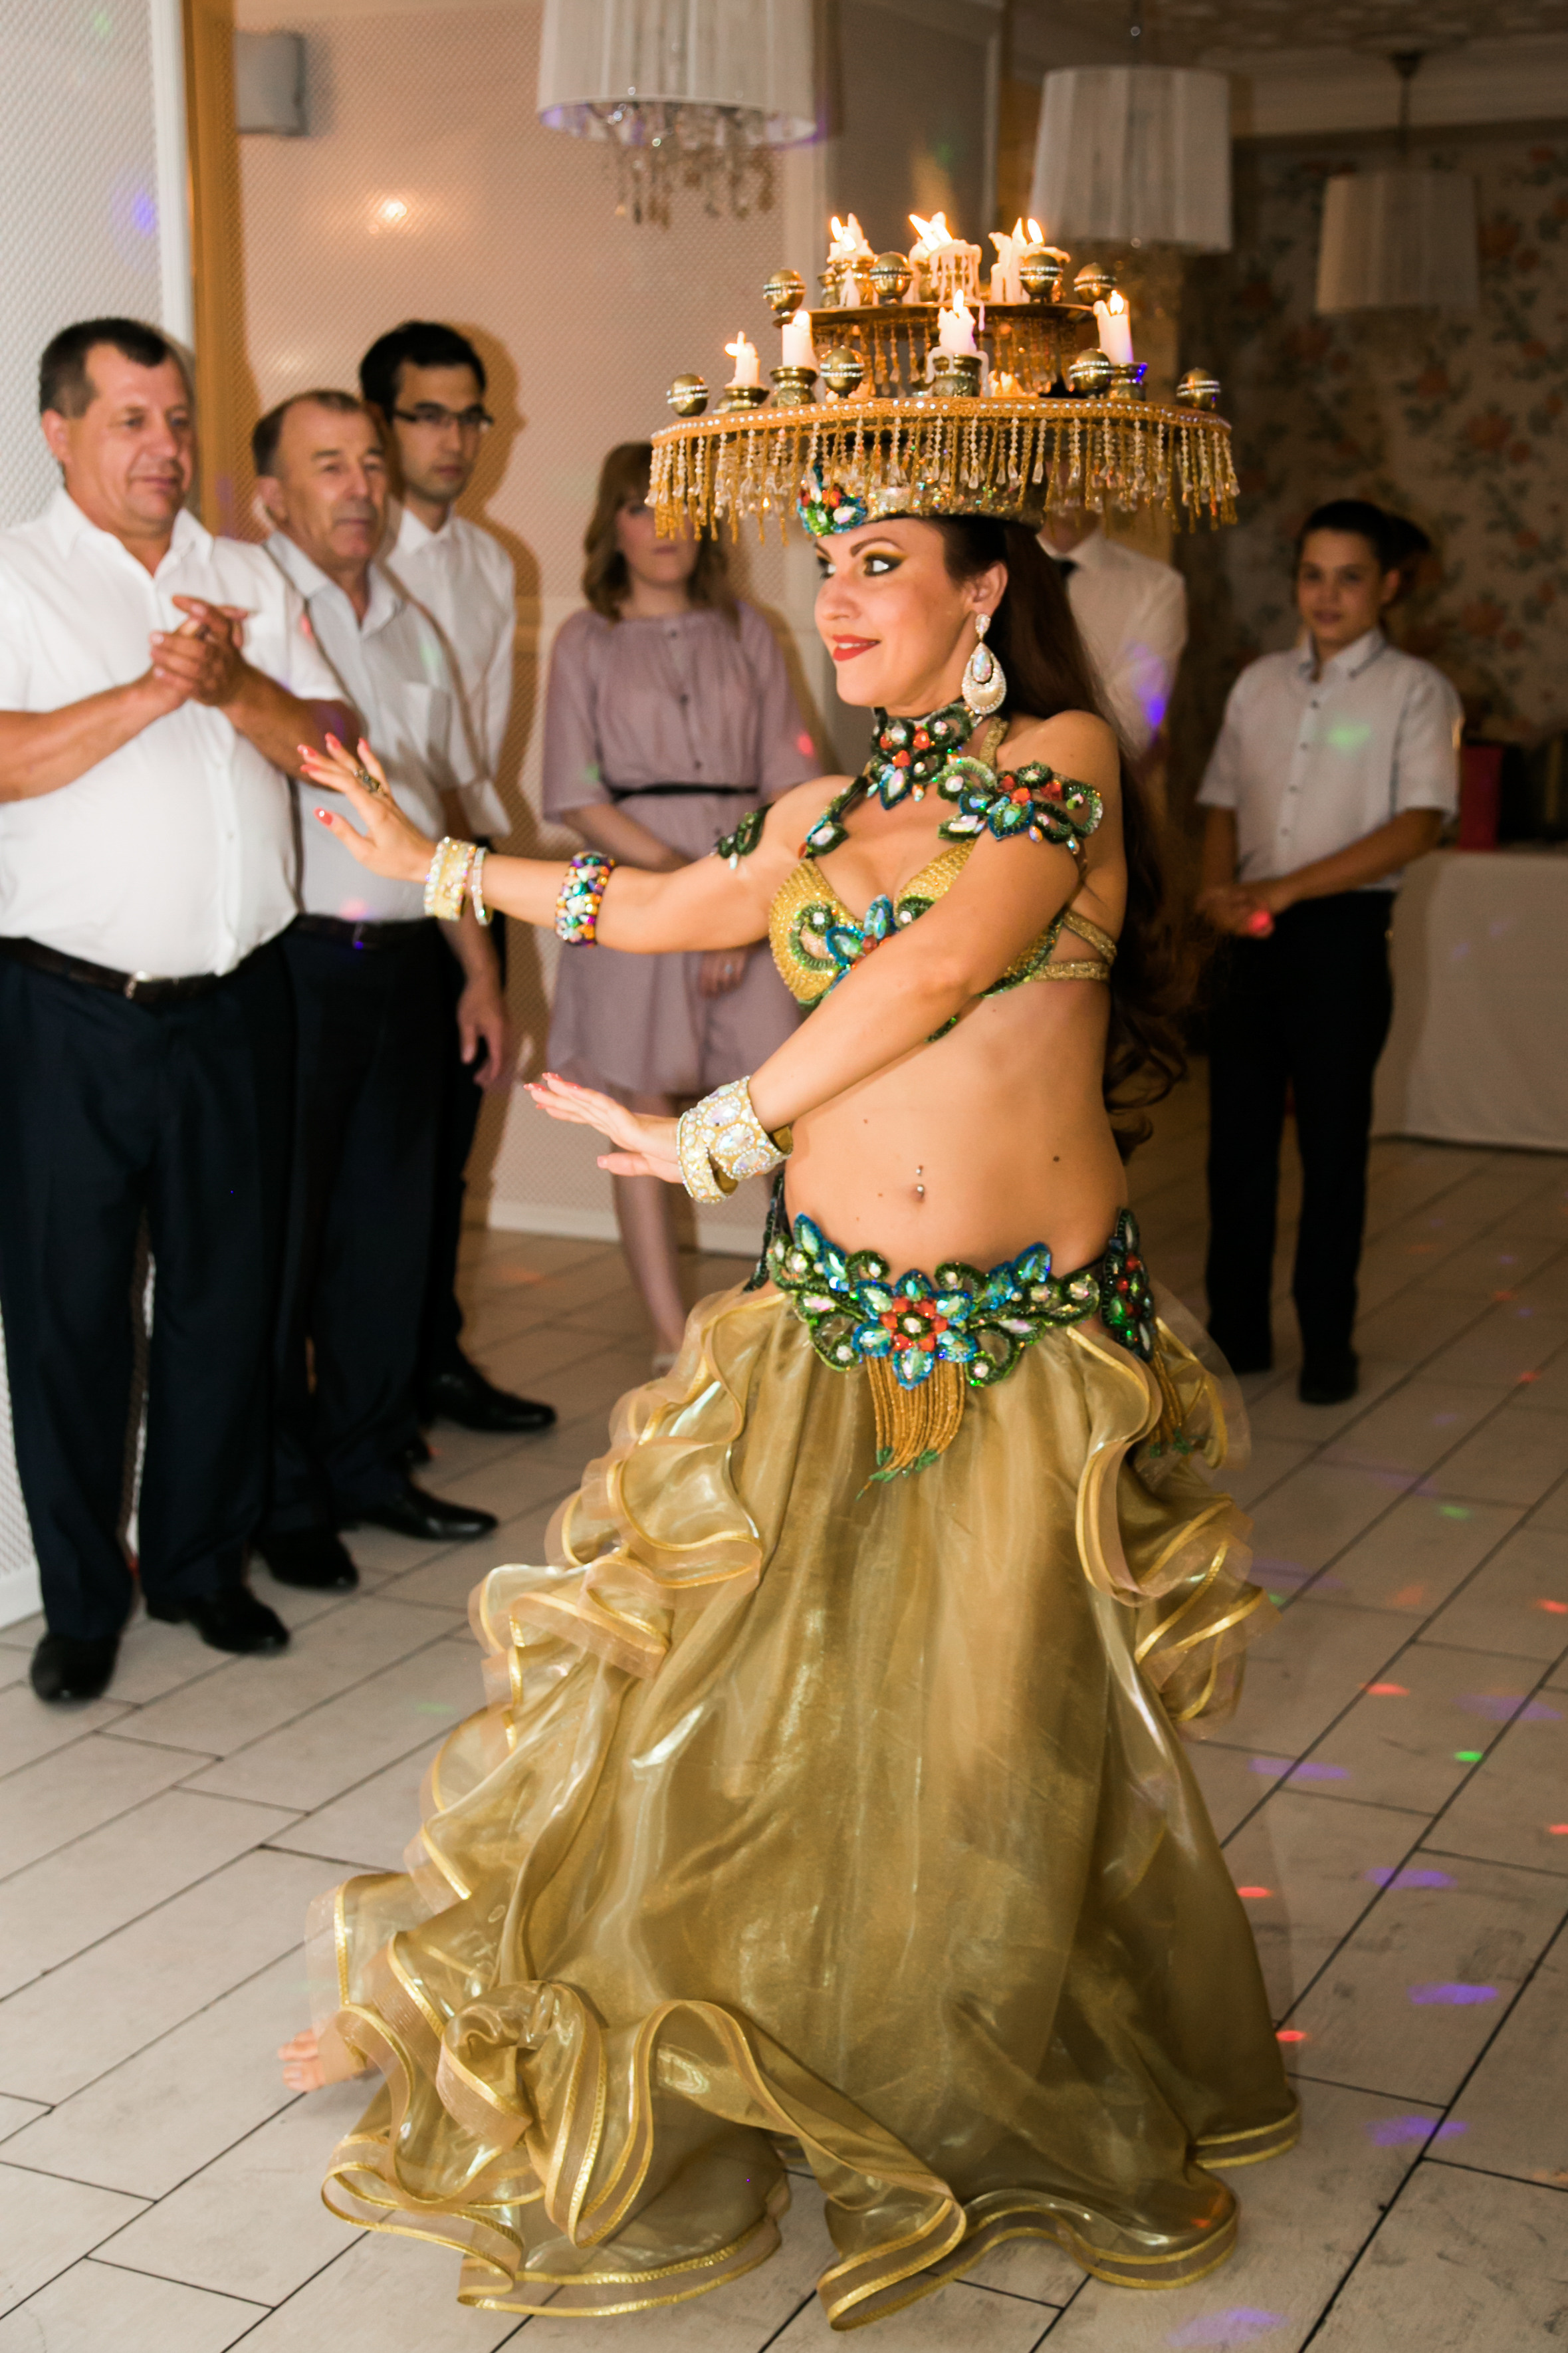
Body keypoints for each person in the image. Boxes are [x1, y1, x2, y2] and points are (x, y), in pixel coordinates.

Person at [277, 432, 1296, 2321]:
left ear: (981, 591)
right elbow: (667, 906)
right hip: (824, 1324)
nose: (831, 597)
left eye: (877, 562)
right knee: (740, 1715)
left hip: (1015, 1351)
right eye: (820, 565)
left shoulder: (1059, 768)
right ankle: (692, 2021)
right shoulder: (819, 806)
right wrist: (442, 865)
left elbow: (928, 974)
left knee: (985, 1737)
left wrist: (718, 1127)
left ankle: (961, 2057)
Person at [0, 318, 346, 1702]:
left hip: (239, 1003)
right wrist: (157, 690)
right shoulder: (15, 577)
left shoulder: (247, 571)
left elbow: (334, 747)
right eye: (132, 420)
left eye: (178, 421)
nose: (164, 448)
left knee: (225, 1299)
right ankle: (85, 1597)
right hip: (67, 1012)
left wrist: (235, 683)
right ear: (60, 432)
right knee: (71, 1310)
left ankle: (202, 1562)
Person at [250, 390, 503, 1592]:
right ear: (273, 495)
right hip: (293, 966)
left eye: (368, 465)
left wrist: (479, 972)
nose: (359, 486)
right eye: (327, 465)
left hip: (410, 966)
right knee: (282, 1245)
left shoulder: (410, 625)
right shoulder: (250, 619)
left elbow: (444, 810)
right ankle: (281, 1495)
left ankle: (366, 1465)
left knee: (387, 1237)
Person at [542, 440, 817, 1361]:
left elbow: (793, 778)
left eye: (678, 507)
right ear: (608, 526)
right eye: (638, 507)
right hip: (632, 897)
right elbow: (577, 792)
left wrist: (738, 894)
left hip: (753, 884)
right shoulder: (583, 639)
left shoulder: (750, 629)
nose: (663, 528)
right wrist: (681, 889)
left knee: (788, 1100)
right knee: (637, 1095)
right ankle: (670, 1336)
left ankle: (798, 1303)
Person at [1196, 497, 1461, 1404]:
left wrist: (1287, 888)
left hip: (1340, 940)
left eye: (1348, 577)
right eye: (1311, 574)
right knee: (1232, 1145)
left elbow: (1418, 822)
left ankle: (1325, 1342)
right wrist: (1216, 888)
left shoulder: (1415, 691)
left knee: (1331, 1147)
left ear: (1386, 586)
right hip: (1248, 935)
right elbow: (1221, 798)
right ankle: (1235, 1334)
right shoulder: (1256, 683)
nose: (1326, 593)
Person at [360, 320, 554, 1439]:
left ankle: (434, 1352)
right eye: (426, 414)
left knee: (452, 1132)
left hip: (474, 860)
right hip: (386, 880)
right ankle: (372, 1383)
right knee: (382, 1150)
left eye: (467, 415)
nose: (453, 438)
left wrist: (488, 860)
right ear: (384, 421)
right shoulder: (354, 550)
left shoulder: (489, 561)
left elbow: (474, 745)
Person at [1039, 504, 1187, 765]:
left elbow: (1132, 721)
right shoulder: (987, 568)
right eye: (1058, 460)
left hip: (1089, 773)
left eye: (1095, 463)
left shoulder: (1156, 586)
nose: (1074, 474)